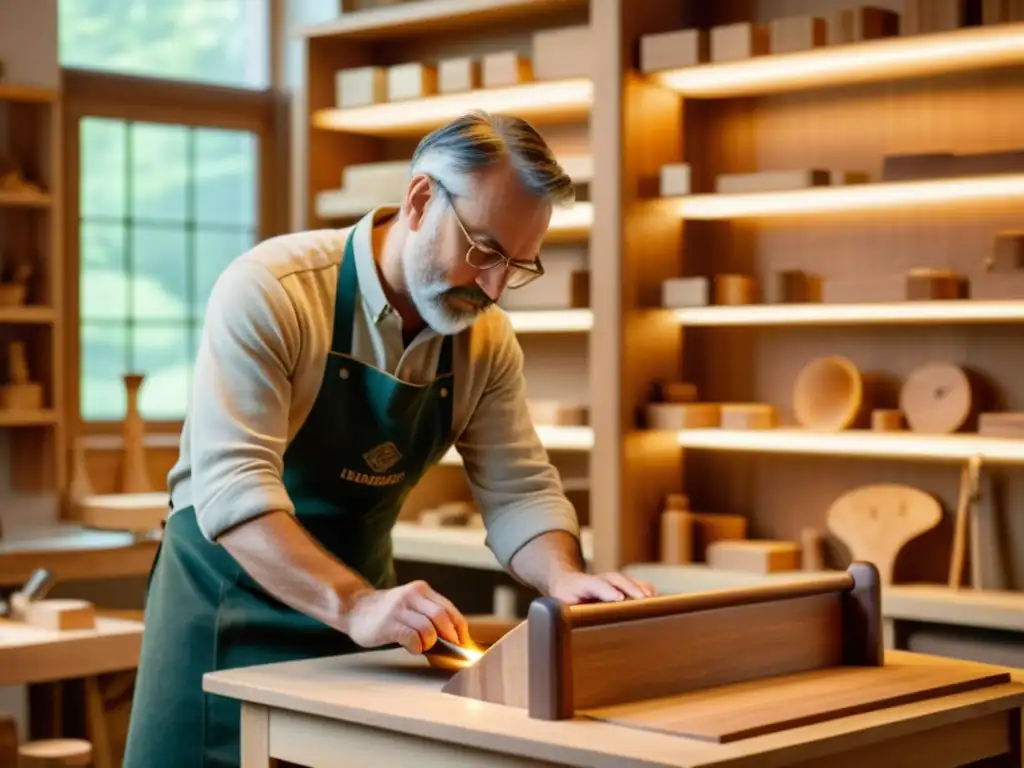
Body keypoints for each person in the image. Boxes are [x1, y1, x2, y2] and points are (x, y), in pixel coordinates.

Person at [122, 110, 654, 768]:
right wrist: (353, 603)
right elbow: (234, 491)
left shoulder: (484, 342)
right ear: (420, 199)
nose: (492, 287)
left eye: (517, 266)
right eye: (484, 252)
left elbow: (519, 490)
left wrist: (564, 578)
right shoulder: (273, 291)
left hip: (360, 615)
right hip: (225, 607)